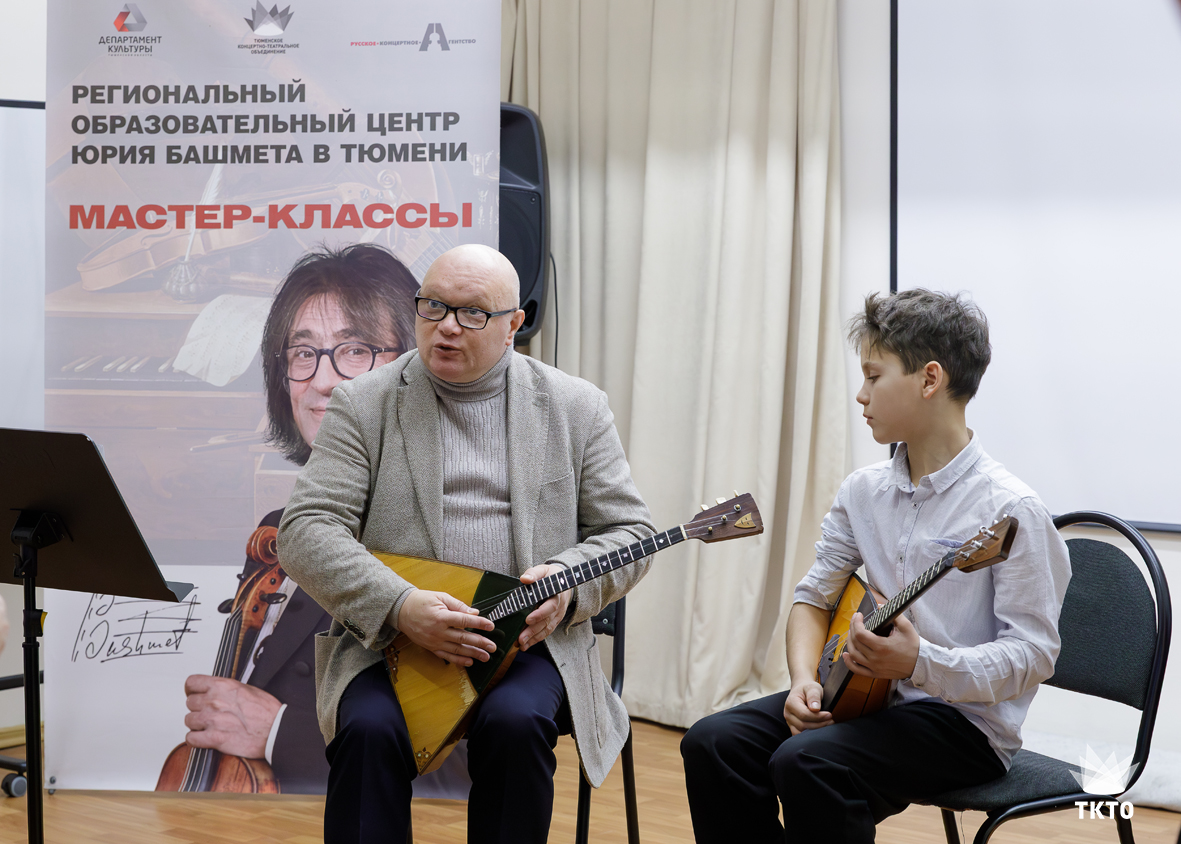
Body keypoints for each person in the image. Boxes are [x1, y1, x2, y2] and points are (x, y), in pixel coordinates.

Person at [278, 243, 655, 844]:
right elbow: (305, 529)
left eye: (472, 313)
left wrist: (566, 588)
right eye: (433, 307)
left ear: (514, 325)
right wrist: (401, 605)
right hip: (393, 643)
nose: (447, 327)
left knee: (515, 725)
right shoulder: (364, 403)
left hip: (530, 647)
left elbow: (631, 533)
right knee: (368, 731)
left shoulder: (575, 407)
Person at [680, 289, 1072, 843]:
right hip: (863, 697)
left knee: (808, 761)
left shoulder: (1010, 510)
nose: (861, 395)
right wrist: (802, 682)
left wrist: (920, 661)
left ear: (929, 379)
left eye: (873, 376)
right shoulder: (862, 491)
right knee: (713, 743)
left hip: (964, 723)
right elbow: (814, 597)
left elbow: (1033, 654)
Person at [179, 243, 418, 793]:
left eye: (355, 350)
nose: (322, 380)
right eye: (303, 353)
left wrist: (281, 733)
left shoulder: (448, 533)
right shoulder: (276, 529)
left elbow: (470, 758)